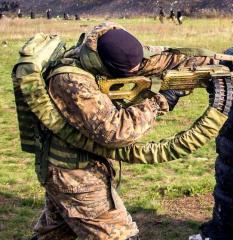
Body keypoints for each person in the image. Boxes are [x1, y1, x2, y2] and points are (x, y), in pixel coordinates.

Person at [27, 22, 219, 240]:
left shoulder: (102, 48)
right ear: (107, 66)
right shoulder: (71, 81)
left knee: (55, 234)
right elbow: (115, 131)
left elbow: (159, 58)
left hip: (73, 165)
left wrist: (214, 63)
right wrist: (161, 101)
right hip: (74, 174)